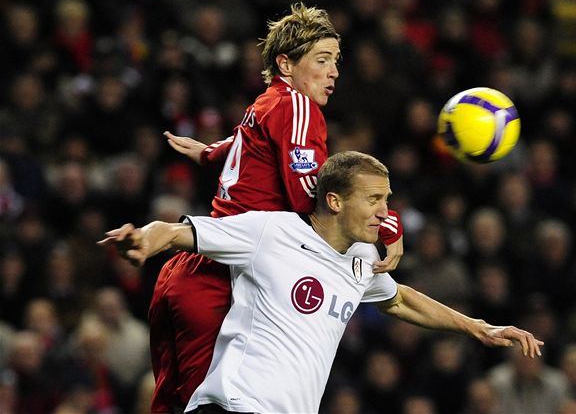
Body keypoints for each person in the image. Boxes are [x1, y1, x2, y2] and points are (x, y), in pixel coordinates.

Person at [99, 151, 544, 414]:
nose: (385, 213)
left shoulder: (361, 260)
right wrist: (142, 239)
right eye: (373, 199)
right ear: (333, 201)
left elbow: (400, 301)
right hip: (234, 407)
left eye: (387, 200)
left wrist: (477, 327)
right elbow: (179, 231)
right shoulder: (272, 233)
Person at [149, 3, 404, 413]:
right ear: (285, 64)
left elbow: (249, 146)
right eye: (322, 60)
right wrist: (387, 223)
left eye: (336, 61)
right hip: (223, 278)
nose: (334, 72)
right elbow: (314, 198)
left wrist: (211, 153)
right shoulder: (301, 107)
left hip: (185, 270)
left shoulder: (266, 102)